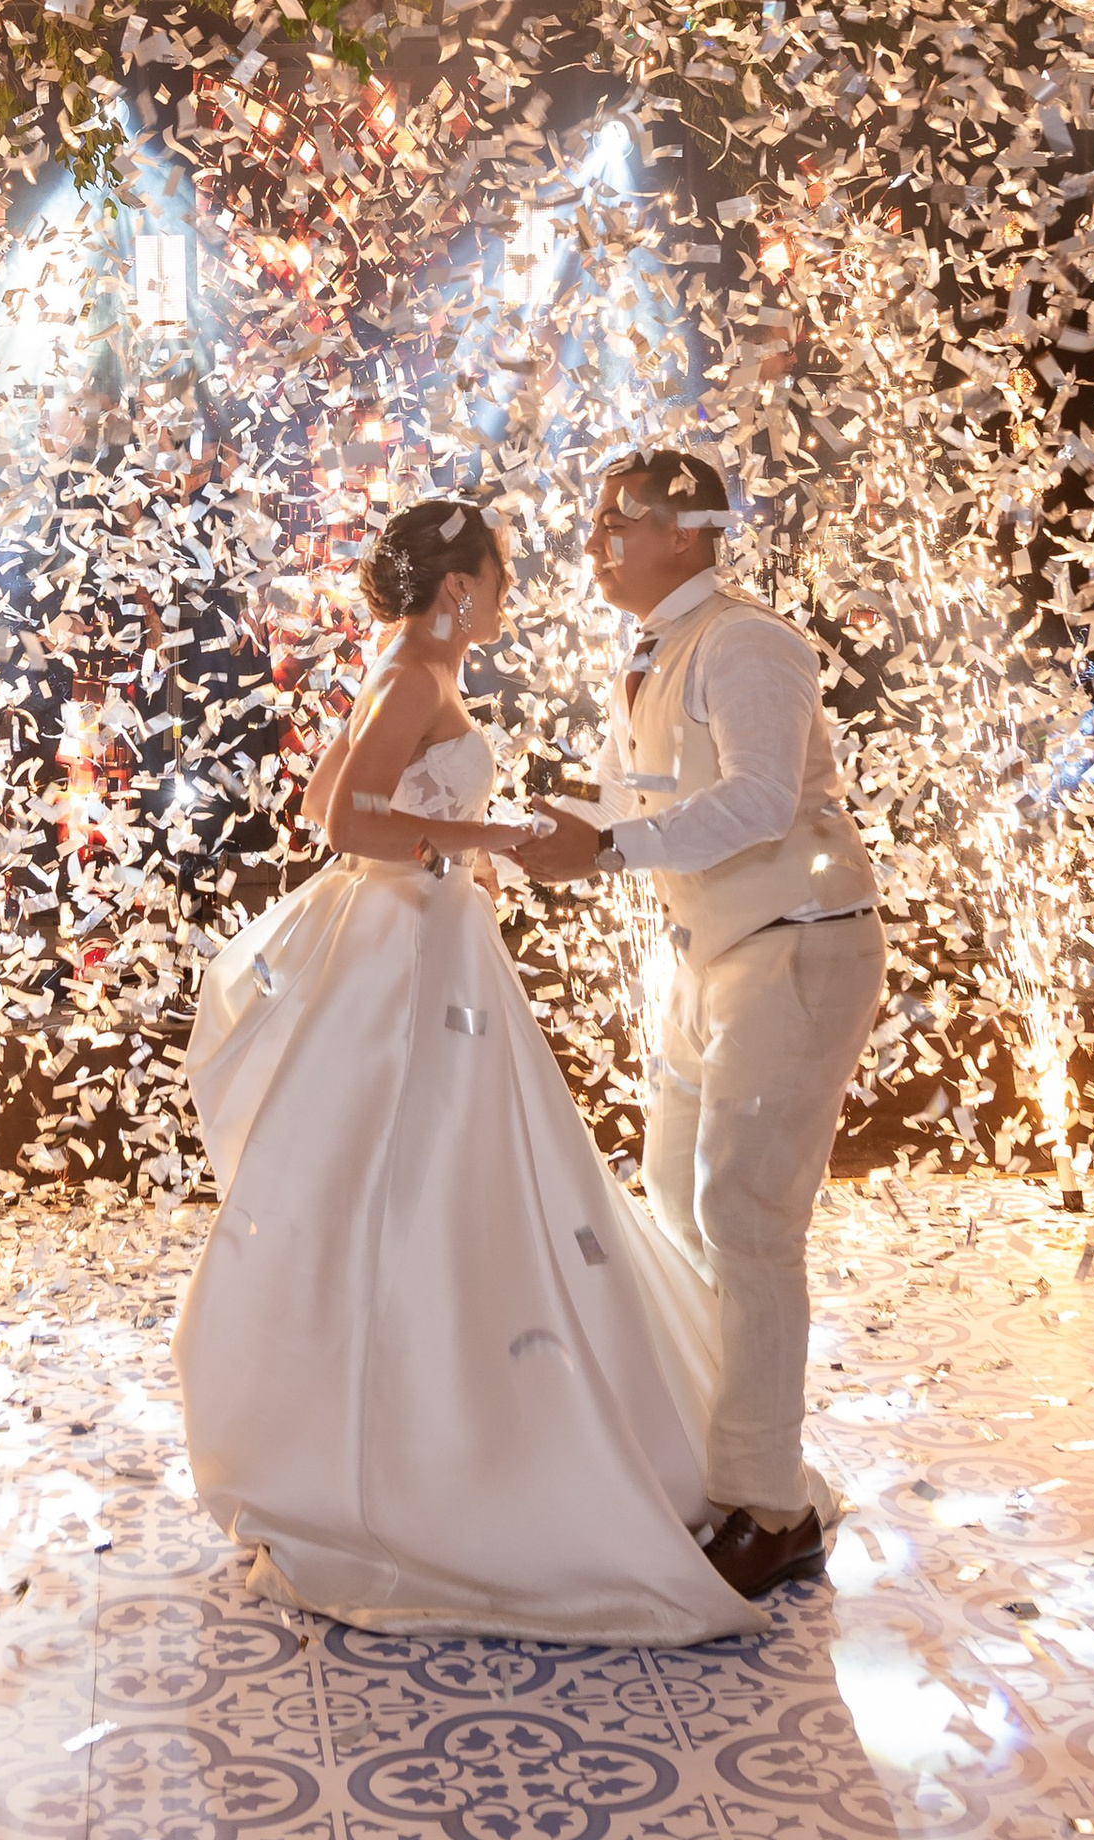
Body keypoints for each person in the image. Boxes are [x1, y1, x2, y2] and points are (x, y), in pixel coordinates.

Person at [174, 496, 789, 1646]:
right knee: (439, 1171)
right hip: (411, 953)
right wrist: (489, 838)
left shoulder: (404, 666)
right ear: (457, 587)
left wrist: (458, 843)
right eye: (499, 577)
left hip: (424, 937)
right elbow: (345, 824)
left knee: (437, 1171)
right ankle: (453, 1457)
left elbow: (336, 804)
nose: (508, 595)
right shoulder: (413, 670)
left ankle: (431, 1413)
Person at [507, 451, 885, 1601]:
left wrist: (608, 847)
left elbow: (763, 798)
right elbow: (660, 797)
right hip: (709, 953)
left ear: (686, 530)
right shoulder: (655, 650)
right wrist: (554, 823)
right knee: (675, 1200)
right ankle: (712, 1453)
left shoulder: (747, 641)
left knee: (745, 1214)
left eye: (614, 520)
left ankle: (770, 1505)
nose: (593, 540)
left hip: (798, 938)